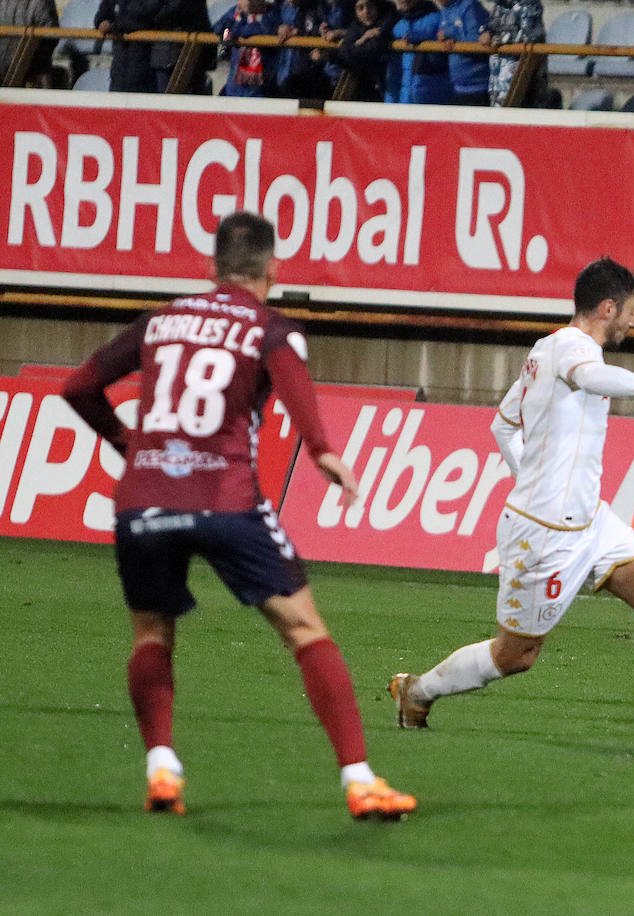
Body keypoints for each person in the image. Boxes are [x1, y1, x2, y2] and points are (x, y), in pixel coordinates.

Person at [60, 212, 416, 821]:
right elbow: (297, 392)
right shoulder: (269, 327)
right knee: (305, 630)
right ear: (272, 269)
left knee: (151, 633)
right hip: (226, 499)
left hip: (145, 498)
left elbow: (79, 387)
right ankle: (359, 780)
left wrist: (128, 443)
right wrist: (325, 452)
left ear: (211, 267)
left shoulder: (159, 321)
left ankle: (162, 770)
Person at [388, 258, 634, 742]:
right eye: (632, 311)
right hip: (544, 532)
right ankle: (417, 690)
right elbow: (592, 379)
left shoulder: (545, 350)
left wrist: (533, 479)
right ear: (607, 307)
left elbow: (502, 423)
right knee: (515, 656)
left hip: (588, 520)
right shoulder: (576, 352)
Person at [481, 0, 546, 107]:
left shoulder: (530, 4)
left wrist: (500, 40)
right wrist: (486, 33)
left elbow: (530, 36)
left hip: (522, 80)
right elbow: (492, 26)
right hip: (497, 80)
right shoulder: (498, 6)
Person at [215, 0, 283, 97]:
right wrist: (236, 13)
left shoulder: (273, 13)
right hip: (235, 86)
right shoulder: (238, 13)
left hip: (262, 87)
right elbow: (219, 29)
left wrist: (238, 31)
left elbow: (264, 30)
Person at [388, 0, 451, 104]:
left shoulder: (439, 20)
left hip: (431, 97)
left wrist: (418, 36)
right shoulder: (397, 26)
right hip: (404, 100)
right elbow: (394, 72)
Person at [332, 0, 397, 101]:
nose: (366, 12)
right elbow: (344, 54)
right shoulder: (356, 26)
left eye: (370, 6)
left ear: (377, 7)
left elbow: (372, 49)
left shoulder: (387, 22)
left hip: (388, 85)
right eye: (360, 8)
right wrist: (362, 40)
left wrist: (356, 45)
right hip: (365, 86)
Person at [435, 0, 491, 106]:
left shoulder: (470, 6)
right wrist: (445, 39)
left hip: (478, 87)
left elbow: (477, 40)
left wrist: (450, 33)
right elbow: (439, 35)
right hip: (458, 86)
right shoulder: (445, 10)